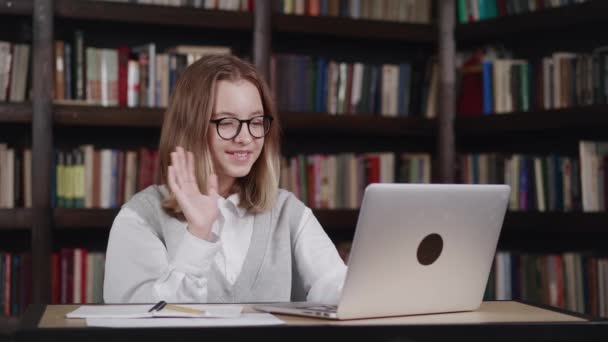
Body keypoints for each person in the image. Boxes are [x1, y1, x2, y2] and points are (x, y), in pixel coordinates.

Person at [103, 54, 347, 304]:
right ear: (192, 127)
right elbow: (141, 323)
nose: (246, 137)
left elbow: (338, 287)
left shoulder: (288, 211)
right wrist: (199, 233)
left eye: (255, 121)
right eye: (227, 122)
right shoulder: (140, 218)